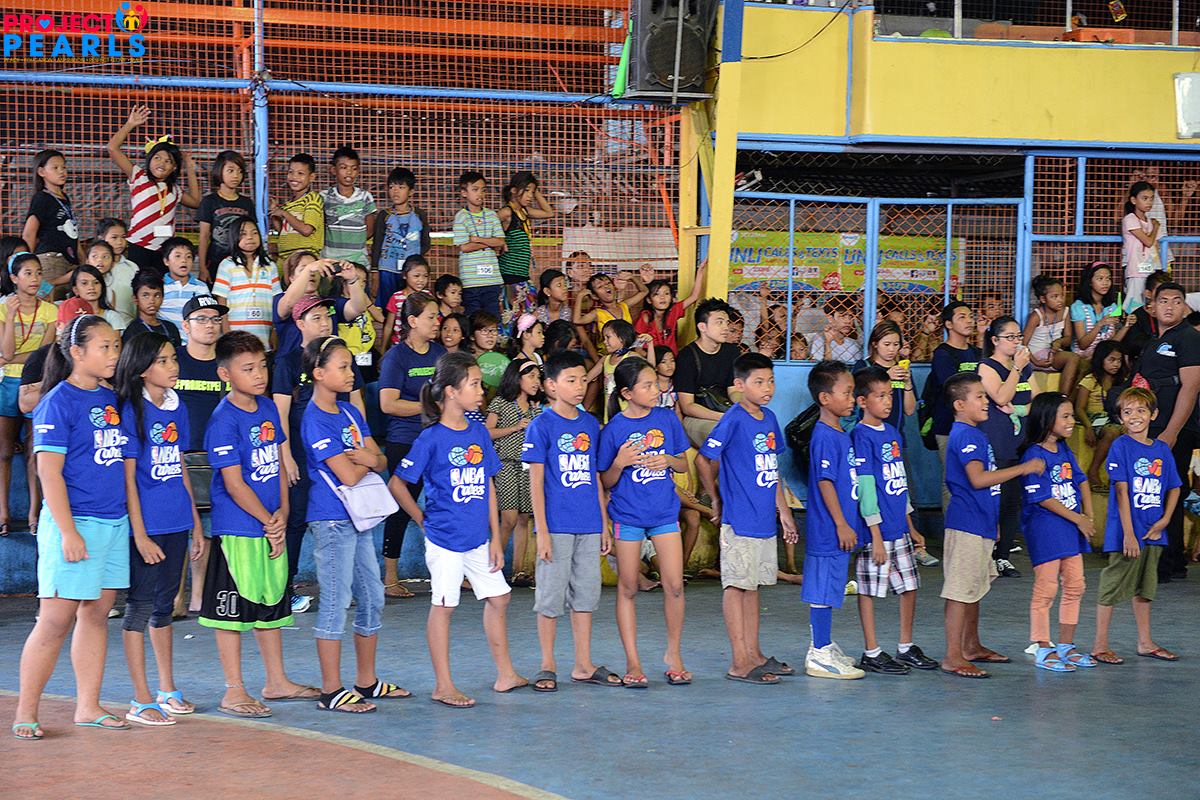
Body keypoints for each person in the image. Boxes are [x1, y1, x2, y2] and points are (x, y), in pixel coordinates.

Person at [12, 315, 129, 739]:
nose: (113, 354)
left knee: (95, 615)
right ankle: (26, 711)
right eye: (104, 347)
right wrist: (68, 532)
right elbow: (49, 473)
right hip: (75, 523)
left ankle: (88, 706)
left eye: (116, 346)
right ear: (77, 352)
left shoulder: (111, 398)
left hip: (113, 521)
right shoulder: (57, 402)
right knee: (55, 620)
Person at [390, 351, 528, 706]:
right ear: (451, 391)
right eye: (474, 384)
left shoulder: (478, 431)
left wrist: (495, 538)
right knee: (444, 606)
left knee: (499, 597)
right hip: (445, 539)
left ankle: (505, 674)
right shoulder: (430, 439)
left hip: (477, 539)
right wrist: (421, 520)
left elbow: (489, 484)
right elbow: (397, 484)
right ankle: (443, 685)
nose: (481, 391)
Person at [200, 332, 319, 717]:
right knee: (232, 611)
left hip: (270, 524)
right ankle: (234, 690)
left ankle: (276, 681)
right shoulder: (223, 420)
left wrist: (282, 512)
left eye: (262, 366)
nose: (258, 375)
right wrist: (269, 521)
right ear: (225, 374)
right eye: (247, 369)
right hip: (239, 528)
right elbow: (234, 484)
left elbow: (280, 464)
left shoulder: (267, 407)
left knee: (271, 603)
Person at [300, 335, 408, 712]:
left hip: (358, 518)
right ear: (318, 373)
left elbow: (381, 460)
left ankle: (366, 681)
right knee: (336, 600)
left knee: (373, 596)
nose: (351, 373)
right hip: (332, 519)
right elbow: (347, 474)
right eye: (343, 367)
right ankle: (331, 690)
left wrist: (366, 459)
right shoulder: (314, 419)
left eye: (351, 366)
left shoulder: (349, 413)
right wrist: (368, 460)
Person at [116, 333, 205, 724]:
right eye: (164, 361)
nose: (174, 366)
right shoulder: (129, 409)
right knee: (139, 608)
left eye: (173, 359)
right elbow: (128, 478)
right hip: (147, 524)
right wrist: (139, 534)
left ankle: (167, 689)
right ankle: (140, 699)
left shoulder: (176, 405)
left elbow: (180, 463)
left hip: (176, 519)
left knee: (165, 607)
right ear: (142, 368)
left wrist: (195, 522)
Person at [696, 352, 798, 685]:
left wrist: (784, 512)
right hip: (739, 519)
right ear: (739, 385)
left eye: (771, 381)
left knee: (752, 587)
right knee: (736, 586)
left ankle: (754, 654)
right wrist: (716, 498)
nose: (768, 387)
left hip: (763, 519)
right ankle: (738, 661)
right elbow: (703, 459)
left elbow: (773, 469)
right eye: (759, 382)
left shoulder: (769, 418)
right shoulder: (733, 419)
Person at [522, 350, 617, 692]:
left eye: (583, 380)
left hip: (589, 524)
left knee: (586, 595)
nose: (579, 387)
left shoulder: (590, 424)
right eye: (571, 380)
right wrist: (543, 531)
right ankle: (547, 664)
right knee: (550, 597)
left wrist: (603, 524)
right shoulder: (541, 426)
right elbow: (536, 483)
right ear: (551, 385)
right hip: (557, 525)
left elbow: (595, 478)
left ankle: (583, 664)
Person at [940, 373, 1043, 679]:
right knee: (960, 591)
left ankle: (970, 646)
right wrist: (1023, 468)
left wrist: (992, 522)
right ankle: (953, 656)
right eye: (979, 396)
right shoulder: (966, 435)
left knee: (973, 588)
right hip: (967, 524)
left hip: (980, 523)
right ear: (960, 405)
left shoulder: (975, 433)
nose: (986, 401)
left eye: (985, 395)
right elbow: (978, 479)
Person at [599, 357, 691, 686]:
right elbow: (605, 481)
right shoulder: (613, 429)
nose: (656, 390)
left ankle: (674, 655)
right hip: (628, 515)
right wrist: (620, 462)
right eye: (648, 385)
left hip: (664, 513)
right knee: (627, 588)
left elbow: (683, 465)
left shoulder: (666, 418)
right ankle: (633, 662)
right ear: (627, 393)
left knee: (675, 585)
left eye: (656, 384)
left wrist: (668, 459)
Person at [274, 296, 367, 615]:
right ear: (299, 324)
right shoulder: (288, 361)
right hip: (301, 454)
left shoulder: (343, 358)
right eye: (316, 318)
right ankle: (284, 590)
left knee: (346, 518)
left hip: (341, 450)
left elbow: (357, 404)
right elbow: (280, 413)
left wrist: (363, 446)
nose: (325, 322)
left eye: (327, 316)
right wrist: (286, 456)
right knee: (296, 520)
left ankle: (345, 587)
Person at [851, 367, 937, 675]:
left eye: (890, 395)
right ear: (862, 401)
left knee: (910, 586)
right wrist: (875, 535)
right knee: (869, 589)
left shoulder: (892, 433)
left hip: (899, 527)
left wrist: (911, 526)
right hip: (876, 529)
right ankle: (871, 651)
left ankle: (905, 646)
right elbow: (866, 488)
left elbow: (899, 484)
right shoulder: (860, 436)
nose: (888, 402)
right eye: (880, 396)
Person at [1090, 387, 1181, 665]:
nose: (1135, 416)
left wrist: (1165, 520)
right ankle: (1099, 645)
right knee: (1112, 585)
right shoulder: (1121, 446)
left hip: (1154, 531)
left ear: (1153, 414)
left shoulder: (1161, 449)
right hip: (1127, 533)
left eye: (1141, 410)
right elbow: (1121, 491)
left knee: (1145, 589)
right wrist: (1129, 534)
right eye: (1127, 412)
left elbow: (1175, 487)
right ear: (1120, 417)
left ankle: (1145, 642)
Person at [792, 361, 866, 680]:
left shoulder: (840, 433)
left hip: (839, 526)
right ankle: (819, 652)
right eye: (846, 393)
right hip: (828, 529)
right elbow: (825, 482)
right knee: (822, 590)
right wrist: (840, 523)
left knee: (832, 586)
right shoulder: (824, 436)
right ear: (825, 398)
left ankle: (824, 643)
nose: (852, 398)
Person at [1018, 392, 1095, 672]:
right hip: (1046, 528)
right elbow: (1042, 498)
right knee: (1046, 588)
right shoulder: (1033, 454)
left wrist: (1088, 515)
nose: (1072, 421)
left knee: (1075, 585)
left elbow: (1081, 480)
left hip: (1070, 526)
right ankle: (1042, 645)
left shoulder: (1063, 449)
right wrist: (1079, 519)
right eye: (1065, 416)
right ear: (1047, 419)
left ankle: (1066, 645)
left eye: (1072, 415)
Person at [378, 292, 446, 596]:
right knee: (400, 508)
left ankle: (454, 571)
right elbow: (388, 404)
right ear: (412, 321)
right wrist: (429, 407)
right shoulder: (397, 357)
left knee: (445, 503)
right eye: (431, 317)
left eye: (437, 316)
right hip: (405, 441)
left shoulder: (440, 354)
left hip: (438, 439)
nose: (437, 322)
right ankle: (390, 578)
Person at [1134, 281, 1200, 582]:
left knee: (1167, 490)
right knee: (1158, 489)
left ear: (1184, 306)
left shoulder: (1189, 337)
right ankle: (1171, 561)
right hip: (1152, 424)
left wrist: (1173, 431)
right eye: (1163, 301)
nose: (1170, 306)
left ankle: (1164, 563)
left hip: (1175, 428)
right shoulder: (1153, 340)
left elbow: (1191, 386)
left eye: (1176, 301)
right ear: (1152, 306)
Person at [172, 295, 230, 616]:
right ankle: (175, 598)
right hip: (178, 456)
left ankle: (199, 597)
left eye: (215, 319)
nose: (210, 325)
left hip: (219, 458)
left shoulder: (228, 362)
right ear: (186, 325)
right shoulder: (174, 360)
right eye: (202, 319)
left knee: (206, 530)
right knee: (180, 528)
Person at [106, 105, 201, 273]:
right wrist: (130, 124)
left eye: (168, 161)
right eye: (157, 158)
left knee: (160, 285)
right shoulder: (138, 176)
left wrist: (190, 168)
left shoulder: (175, 190)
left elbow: (195, 201)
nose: (161, 163)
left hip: (164, 249)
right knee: (137, 283)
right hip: (138, 245)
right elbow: (112, 148)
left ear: (174, 167)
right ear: (149, 160)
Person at [0, 252, 56, 536]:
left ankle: (35, 514)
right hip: (6, 383)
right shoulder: (2, 308)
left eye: (38, 273)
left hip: (37, 383)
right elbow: (7, 350)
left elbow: (43, 355)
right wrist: (11, 316)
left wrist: (9, 358)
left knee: (36, 453)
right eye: (28, 273)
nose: (35, 278)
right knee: (4, 453)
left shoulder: (50, 310)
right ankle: (3, 514)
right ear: (14, 278)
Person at [978, 315, 1037, 578]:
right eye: (1010, 337)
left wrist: (1021, 409)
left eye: (1018, 337)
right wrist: (1017, 369)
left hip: (1020, 442)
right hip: (997, 441)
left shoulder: (1024, 367)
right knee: (995, 500)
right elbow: (1001, 397)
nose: (1016, 342)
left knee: (1012, 501)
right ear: (995, 340)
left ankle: (1003, 556)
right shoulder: (987, 367)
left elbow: (1037, 401)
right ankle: (986, 553)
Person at [485, 358, 542, 588]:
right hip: (506, 463)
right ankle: (492, 568)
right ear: (517, 378)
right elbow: (487, 433)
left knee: (523, 519)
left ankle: (519, 571)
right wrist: (515, 428)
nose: (536, 382)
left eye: (538, 377)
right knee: (508, 519)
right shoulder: (500, 402)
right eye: (531, 376)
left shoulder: (536, 408)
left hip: (528, 466)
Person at [925, 300, 981, 511]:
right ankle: (952, 526)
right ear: (948, 324)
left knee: (976, 476)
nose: (969, 321)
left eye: (970, 316)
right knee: (952, 479)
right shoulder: (942, 354)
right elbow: (952, 389)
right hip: (948, 426)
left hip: (976, 427)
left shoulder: (977, 352)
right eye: (962, 317)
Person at [273, 252, 370, 360]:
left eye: (316, 270)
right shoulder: (279, 299)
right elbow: (289, 304)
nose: (312, 273)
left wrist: (352, 280)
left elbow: (358, 308)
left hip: (327, 364)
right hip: (292, 365)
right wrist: (309, 269)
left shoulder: (329, 302)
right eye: (303, 269)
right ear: (291, 277)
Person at [675, 297, 739, 449]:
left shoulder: (732, 352)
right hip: (696, 418)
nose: (726, 327)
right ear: (702, 327)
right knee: (721, 434)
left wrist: (743, 407)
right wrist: (722, 417)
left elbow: (734, 390)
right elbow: (687, 406)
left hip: (724, 411)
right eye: (719, 322)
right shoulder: (687, 356)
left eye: (727, 322)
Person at [213, 219, 280, 349]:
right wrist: (227, 333)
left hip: (264, 333)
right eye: (243, 234)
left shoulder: (270, 266)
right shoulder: (227, 265)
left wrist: (274, 330)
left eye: (254, 233)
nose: (250, 237)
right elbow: (222, 301)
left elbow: (276, 300)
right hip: (235, 333)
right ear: (234, 237)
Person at [370, 167, 430, 307]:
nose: (395, 191)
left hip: (411, 271)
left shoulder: (419, 215)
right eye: (392, 187)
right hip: (387, 269)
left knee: (410, 305)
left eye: (401, 187)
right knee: (387, 306)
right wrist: (375, 271)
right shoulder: (384, 215)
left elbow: (426, 243)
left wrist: (414, 258)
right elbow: (377, 244)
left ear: (411, 191)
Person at [497, 171, 555, 313]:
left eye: (532, 192)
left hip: (522, 275)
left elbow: (549, 213)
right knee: (510, 317)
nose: (530, 196)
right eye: (527, 190)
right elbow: (486, 227)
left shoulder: (525, 212)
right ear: (514, 190)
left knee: (527, 317)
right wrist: (500, 242)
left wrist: (535, 190)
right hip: (508, 276)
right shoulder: (507, 212)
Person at [1073, 341, 1127, 491]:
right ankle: (1093, 471)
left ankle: (1119, 477)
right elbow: (1079, 408)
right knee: (1112, 432)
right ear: (1101, 359)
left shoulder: (1122, 382)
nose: (1116, 364)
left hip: (1114, 418)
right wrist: (1088, 427)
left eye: (1119, 360)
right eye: (1111, 360)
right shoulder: (1090, 379)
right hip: (1094, 418)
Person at [22, 149, 80, 285]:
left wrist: (82, 261)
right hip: (51, 260)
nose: (62, 171)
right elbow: (29, 233)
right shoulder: (41, 198)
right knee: (47, 296)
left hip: (69, 260)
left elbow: (73, 235)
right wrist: (27, 264)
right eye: (55, 168)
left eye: (64, 167)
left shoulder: (64, 198)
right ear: (41, 172)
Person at [197, 150, 255, 284]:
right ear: (219, 171)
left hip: (242, 264)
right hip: (215, 262)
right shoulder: (209, 201)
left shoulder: (247, 203)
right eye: (230, 170)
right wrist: (202, 267)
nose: (236, 175)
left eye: (240, 171)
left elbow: (252, 234)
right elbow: (204, 236)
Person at [852, 320, 915, 444]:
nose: (891, 349)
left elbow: (909, 411)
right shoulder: (863, 366)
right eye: (886, 344)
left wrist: (908, 384)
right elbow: (853, 399)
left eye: (896, 344)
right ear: (875, 344)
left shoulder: (901, 369)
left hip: (896, 438)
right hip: (867, 438)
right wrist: (886, 377)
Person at [454, 171, 506, 318]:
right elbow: (464, 247)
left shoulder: (492, 215)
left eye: (483, 190)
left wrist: (477, 240)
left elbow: (500, 241)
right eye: (475, 189)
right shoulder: (461, 217)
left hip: (492, 279)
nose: (480, 194)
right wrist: (489, 242)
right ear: (464, 192)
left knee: (493, 318)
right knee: (473, 318)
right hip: (470, 281)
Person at [586, 319, 655, 422]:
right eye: (604, 338)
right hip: (609, 415)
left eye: (608, 337)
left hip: (630, 415)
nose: (604, 342)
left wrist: (650, 345)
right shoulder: (605, 360)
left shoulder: (631, 356)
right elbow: (587, 378)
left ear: (622, 338)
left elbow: (651, 368)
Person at [1023, 275, 1080, 397]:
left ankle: (1068, 399)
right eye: (1054, 297)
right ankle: (1062, 397)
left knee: (1081, 364)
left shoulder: (1065, 312)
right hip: (1035, 356)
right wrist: (1036, 362)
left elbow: (1068, 338)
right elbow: (1023, 344)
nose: (1060, 300)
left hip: (1053, 353)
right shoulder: (1036, 316)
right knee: (1072, 358)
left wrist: (1059, 342)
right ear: (1043, 299)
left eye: (1061, 296)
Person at [635, 260, 707, 355]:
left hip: (672, 359)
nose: (662, 297)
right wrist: (651, 359)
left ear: (672, 298)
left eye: (666, 293)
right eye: (657, 294)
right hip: (651, 359)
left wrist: (700, 270)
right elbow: (637, 347)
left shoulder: (673, 311)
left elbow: (694, 296)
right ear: (649, 300)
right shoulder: (646, 317)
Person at [321, 144, 377, 267]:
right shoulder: (324, 197)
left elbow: (370, 230)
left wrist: (354, 241)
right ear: (333, 170)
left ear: (358, 171)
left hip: (358, 261)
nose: (349, 172)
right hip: (329, 260)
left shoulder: (365, 197)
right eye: (343, 167)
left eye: (354, 168)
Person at [270, 153, 324, 265]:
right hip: (284, 259)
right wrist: (274, 213)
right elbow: (283, 232)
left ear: (312, 177)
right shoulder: (288, 204)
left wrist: (284, 214)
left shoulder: (312, 199)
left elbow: (306, 230)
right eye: (291, 172)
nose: (294, 177)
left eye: (300, 173)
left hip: (304, 260)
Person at [1070, 261, 1127, 360]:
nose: (1105, 283)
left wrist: (1127, 326)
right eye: (1100, 279)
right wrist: (1100, 324)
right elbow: (1082, 345)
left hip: (1103, 359)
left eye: (1108, 278)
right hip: (1082, 358)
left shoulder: (1111, 307)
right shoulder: (1078, 307)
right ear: (1089, 282)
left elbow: (1111, 344)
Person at [1122, 181, 1163, 308]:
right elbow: (1149, 242)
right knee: (1133, 306)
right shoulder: (1130, 219)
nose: (1149, 202)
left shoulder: (1149, 221)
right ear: (1134, 200)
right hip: (1136, 271)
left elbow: (1156, 246)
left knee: (1150, 305)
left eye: (1151, 198)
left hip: (1150, 270)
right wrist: (1155, 227)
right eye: (1145, 198)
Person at [158, 237, 208, 339]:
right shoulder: (159, 286)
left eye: (188, 257)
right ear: (166, 261)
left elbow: (206, 315)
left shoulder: (201, 287)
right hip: (166, 343)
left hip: (192, 343)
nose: (184, 260)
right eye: (178, 256)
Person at [381, 255, 430, 350]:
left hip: (422, 346)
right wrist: (383, 349)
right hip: (399, 346)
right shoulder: (396, 298)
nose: (421, 280)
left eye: (425, 276)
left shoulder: (428, 296)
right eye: (416, 276)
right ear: (404, 275)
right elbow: (389, 326)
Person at [122, 270, 181, 349]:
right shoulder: (132, 332)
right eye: (145, 295)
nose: (152, 301)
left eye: (157, 295)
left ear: (163, 298)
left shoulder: (171, 328)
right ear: (135, 299)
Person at [95, 218, 138, 319]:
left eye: (123, 237)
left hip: (129, 322)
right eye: (114, 237)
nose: (120, 242)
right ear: (101, 239)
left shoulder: (132, 267)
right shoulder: (96, 268)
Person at [809, 296, 861, 362]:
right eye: (842, 316)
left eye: (851, 316)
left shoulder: (852, 343)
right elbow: (822, 366)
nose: (848, 321)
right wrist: (827, 343)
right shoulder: (819, 340)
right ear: (830, 318)